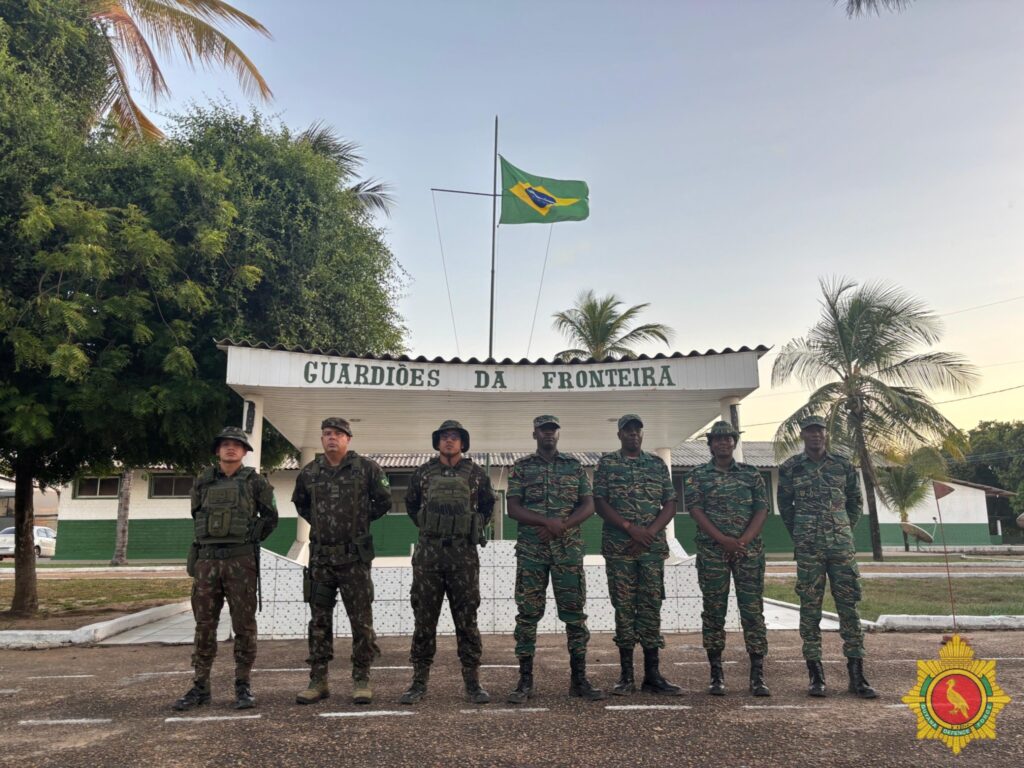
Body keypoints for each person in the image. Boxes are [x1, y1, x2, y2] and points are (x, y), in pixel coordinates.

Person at [173, 426, 278, 711]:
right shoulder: (203, 482)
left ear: (245, 451)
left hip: (240, 561)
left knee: (244, 626)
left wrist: (250, 538)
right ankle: (200, 686)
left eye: (237, 445)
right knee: (204, 625)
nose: (230, 448)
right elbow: (197, 514)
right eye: (225, 444)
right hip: (207, 561)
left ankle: (243, 685)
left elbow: (271, 517)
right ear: (217, 450)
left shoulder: (256, 482)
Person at [506, 416, 606, 703]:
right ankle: (524, 682)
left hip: (567, 551)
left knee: (575, 616)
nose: (548, 434)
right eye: (543, 430)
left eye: (553, 430)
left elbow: (588, 505)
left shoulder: (573, 466)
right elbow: (513, 507)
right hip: (532, 552)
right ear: (534, 433)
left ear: (558, 434)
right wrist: (546, 521)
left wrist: (563, 524)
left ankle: (579, 680)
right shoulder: (522, 467)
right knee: (527, 616)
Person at [292, 417, 392, 706]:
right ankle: (318, 680)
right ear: (322, 439)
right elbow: (302, 504)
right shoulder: (309, 473)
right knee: (319, 622)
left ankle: (361, 679)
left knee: (361, 622)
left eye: (337, 434)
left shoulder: (367, 469)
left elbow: (384, 501)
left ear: (348, 438)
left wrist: (359, 521)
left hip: (354, 559)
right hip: (322, 558)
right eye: (326, 434)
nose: (331, 438)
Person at [777, 415, 877, 699]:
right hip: (809, 549)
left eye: (820, 431)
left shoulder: (843, 465)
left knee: (849, 607)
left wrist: (842, 527)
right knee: (810, 608)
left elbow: (854, 502)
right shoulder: (790, 468)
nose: (816, 436)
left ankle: (857, 675)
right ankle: (816, 675)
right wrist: (801, 532)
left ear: (826, 434)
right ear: (803, 436)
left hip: (841, 548)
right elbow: (785, 505)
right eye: (810, 432)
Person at [400, 419, 495, 704]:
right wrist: (431, 525)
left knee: (467, 621)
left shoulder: (476, 474)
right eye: (444, 437)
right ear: (437, 442)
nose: (449, 441)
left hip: (463, 556)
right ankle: (418, 683)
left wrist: (472, 525)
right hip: (429, 557)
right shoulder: (423, 473)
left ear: (463, 443)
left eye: (454, 437)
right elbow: (411, 505)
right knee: (424, 620)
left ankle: (473, 684)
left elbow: (489, 505)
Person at [594, 414, 682, 696]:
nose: (633, 434)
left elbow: (669, 503)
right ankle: (626, 675)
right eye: (627, 431)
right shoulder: (607, 464)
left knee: (651, 608)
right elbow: (600, 503)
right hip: (620, 548)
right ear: (619, 435)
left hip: (651, 549)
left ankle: (653, 675)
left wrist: (649, 533)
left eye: (637, 430)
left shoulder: (656, 464)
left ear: (642, 434)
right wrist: (630, 529)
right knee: (624, 608)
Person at [684, 421, 770, 697]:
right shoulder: (698, 475)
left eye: (727, 439)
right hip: (713, 553)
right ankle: (716, 673)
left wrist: (741, 541)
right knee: (713, 612)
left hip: (748, 553)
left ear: (734, 442)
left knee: (753, 612)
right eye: (717, 439)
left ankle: (757, 675)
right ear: (710, 444)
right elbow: (696, 510)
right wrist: (723, 541)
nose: (723, 443)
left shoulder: (751, 474)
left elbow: (761, 510)